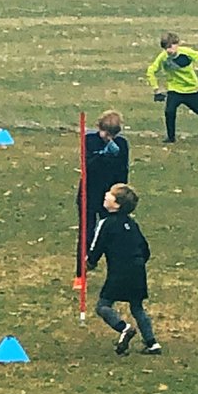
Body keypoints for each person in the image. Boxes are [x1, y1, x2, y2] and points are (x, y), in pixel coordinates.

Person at [87, 183, 160, 355]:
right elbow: (144, 248)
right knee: (137, 307)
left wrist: (89, 263)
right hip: (137, 269)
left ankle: (124, 328)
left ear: (117, 204)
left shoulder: (106, 223)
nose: (106, 194)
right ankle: (152, 343)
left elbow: (97, 247)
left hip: (119, 272)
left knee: (103, 305)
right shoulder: (132, 224)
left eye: (110, 194)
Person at [76, 109, 129, 278]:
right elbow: (87, 166)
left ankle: (115, 272)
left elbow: (122, 172)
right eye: (106, 132)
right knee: (86, 233)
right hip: (89, 194)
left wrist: (120, 196)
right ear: (99, 127)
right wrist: (103, 155)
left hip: (111, 198)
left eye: (113, 134)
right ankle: (80, 273)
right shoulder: (89, 140)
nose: (109, 137)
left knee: (112, 235)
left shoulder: (122, 145)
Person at [146, 32, 198, 143]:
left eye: (171, 46)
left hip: (191, 90)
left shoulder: (187, 53)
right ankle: (170, 137)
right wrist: (156, 89)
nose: (168, 50)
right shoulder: (163, 58)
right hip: (174, 90)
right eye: (166, 48)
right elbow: (151, 71)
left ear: (177, 44)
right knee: (169, 111)